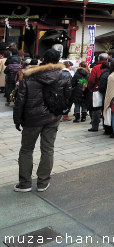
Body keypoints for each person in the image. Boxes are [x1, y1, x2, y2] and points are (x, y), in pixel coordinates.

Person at [13, 49, 72, 192]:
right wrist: (62, 111)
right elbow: (68, 96)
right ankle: (43, 182)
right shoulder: (64, 75)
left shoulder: (29, 75)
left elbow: (20, 100)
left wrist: (17, 119)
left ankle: (25, 183)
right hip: (52, 117)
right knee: (48, 149)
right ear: (58, 60)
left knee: (26, 149)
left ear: (43, 60)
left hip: (31, 118)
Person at [87, 53, 108, 132]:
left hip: (96, 90)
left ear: (98, 59)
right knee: (106, 108)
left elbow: (91, 80)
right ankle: (106, 126)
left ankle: (95, 126)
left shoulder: (96, 67)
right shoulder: (110, 67)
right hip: (107, 90)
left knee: (96, 108)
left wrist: (90, 88)